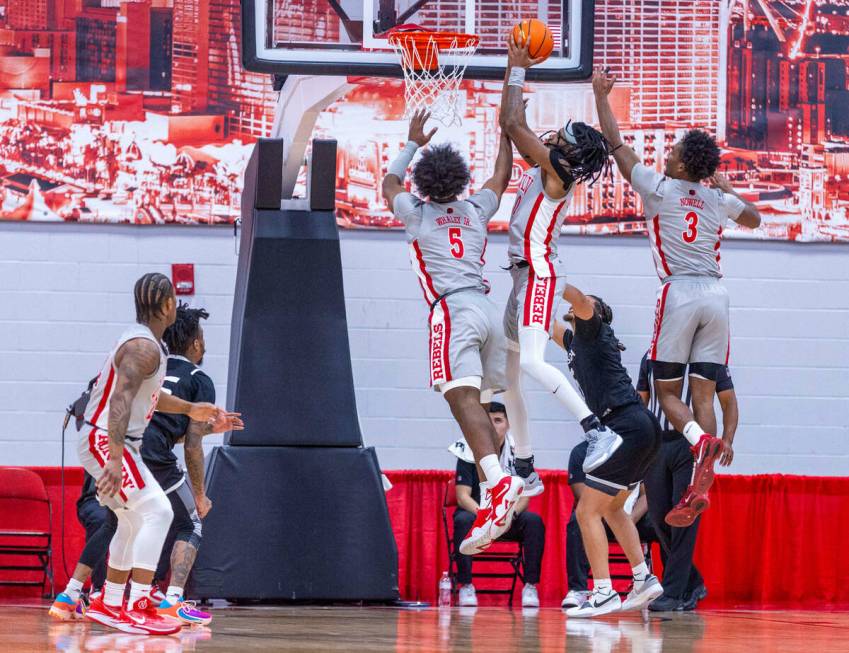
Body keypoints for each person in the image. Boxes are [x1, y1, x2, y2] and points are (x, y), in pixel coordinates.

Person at [592, 67, 760, 526]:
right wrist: (728, 190)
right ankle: (699, 473)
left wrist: (600, 97)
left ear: (684, 166)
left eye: (675, 152)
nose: (668, 155)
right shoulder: (716, 199)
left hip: (679, 292)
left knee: (667, 391)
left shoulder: (660, 187)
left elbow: (616, 146)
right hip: (717, 296)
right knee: (702, 390)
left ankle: (697, 440)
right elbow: (755, 220)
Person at [54, 273, 240, 635]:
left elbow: (148, 398)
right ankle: (141, 603)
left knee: (130, 520)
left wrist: (189, 409)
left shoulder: (150, 345)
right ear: (168, 305)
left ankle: (110, 602)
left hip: (112, 440)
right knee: (158, 511)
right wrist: (113, 458)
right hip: (107, 439)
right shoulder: (143, 348)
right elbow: (121, 398)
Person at [381, 101, 524, 556]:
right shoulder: (475, 209)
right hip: (487, 306)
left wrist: (411, 143)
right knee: (480, 405)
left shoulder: (417, 215)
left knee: (459, 400)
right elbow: (500, 178)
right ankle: (492, 494)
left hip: (454, 310)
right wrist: (505, 135)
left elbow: (388, 183)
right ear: (460, 178)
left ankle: (500, 483)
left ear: (425, 182)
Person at [498, 38, 622, 496]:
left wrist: (515, 67)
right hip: (520, 278)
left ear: (566, 151)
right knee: (507, 376)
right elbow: (511, 125)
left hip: (539, 275)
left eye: (560, 137)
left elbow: (513, 122)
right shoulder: (550, 162)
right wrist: (512, 94)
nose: (552, 135)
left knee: (531, 361)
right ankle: (526, 466)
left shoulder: (557, 170)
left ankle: (597, 431)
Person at [550, 285, 662, 617]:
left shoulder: (593, 329)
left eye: (586, 307)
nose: (576, 309)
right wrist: (528, 290)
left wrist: (555, 280)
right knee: (614, 511)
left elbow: (581, 300)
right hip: (640, 428)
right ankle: (642, 579)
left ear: (595, 315)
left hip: (624, 427)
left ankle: (603, 592)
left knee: (587, 512)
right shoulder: (575, 343)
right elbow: (540, 322)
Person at [638, 352, 738, 610]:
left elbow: (728, 402)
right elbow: (642, 400)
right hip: (657, 444)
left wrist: (727, 439)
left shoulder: (707, 357)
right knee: (660, 520)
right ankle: (692, 583)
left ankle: (672, 592)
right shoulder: (650, 356)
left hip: (691, 446)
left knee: (683, 518)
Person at [141, 302, 219, 625]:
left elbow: (162, 420)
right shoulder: (200, 379)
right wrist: (200, 494)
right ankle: (173, 599)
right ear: (196, 343)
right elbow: (193, 446)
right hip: (156, 455)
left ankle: (128, 595)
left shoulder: (154, 367)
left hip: (128, 449)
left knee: (141, 521)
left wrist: (216, 425)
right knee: (191, 523)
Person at [449, 402, 546, 608]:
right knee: (461, 520)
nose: (493, 426)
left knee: (534, 522)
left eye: (499, 420)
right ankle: (466, 585)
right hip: (478, 515)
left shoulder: (518, 452)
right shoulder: (468, 449)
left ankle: (530, 586)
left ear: (509, 424)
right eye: (489, 421)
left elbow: (526, 496)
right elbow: (462, 496)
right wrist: (487, 514)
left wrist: (505, 516)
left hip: (507, 518)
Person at [562, 441, 656, 609]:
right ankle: (578, 590)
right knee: (578, 520)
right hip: (599, 517)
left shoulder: (629, 448)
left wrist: (629, 519)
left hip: (629, 515)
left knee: (662, 522)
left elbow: (646, 495)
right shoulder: (581, 452)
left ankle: (668, 589)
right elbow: (582, 497)